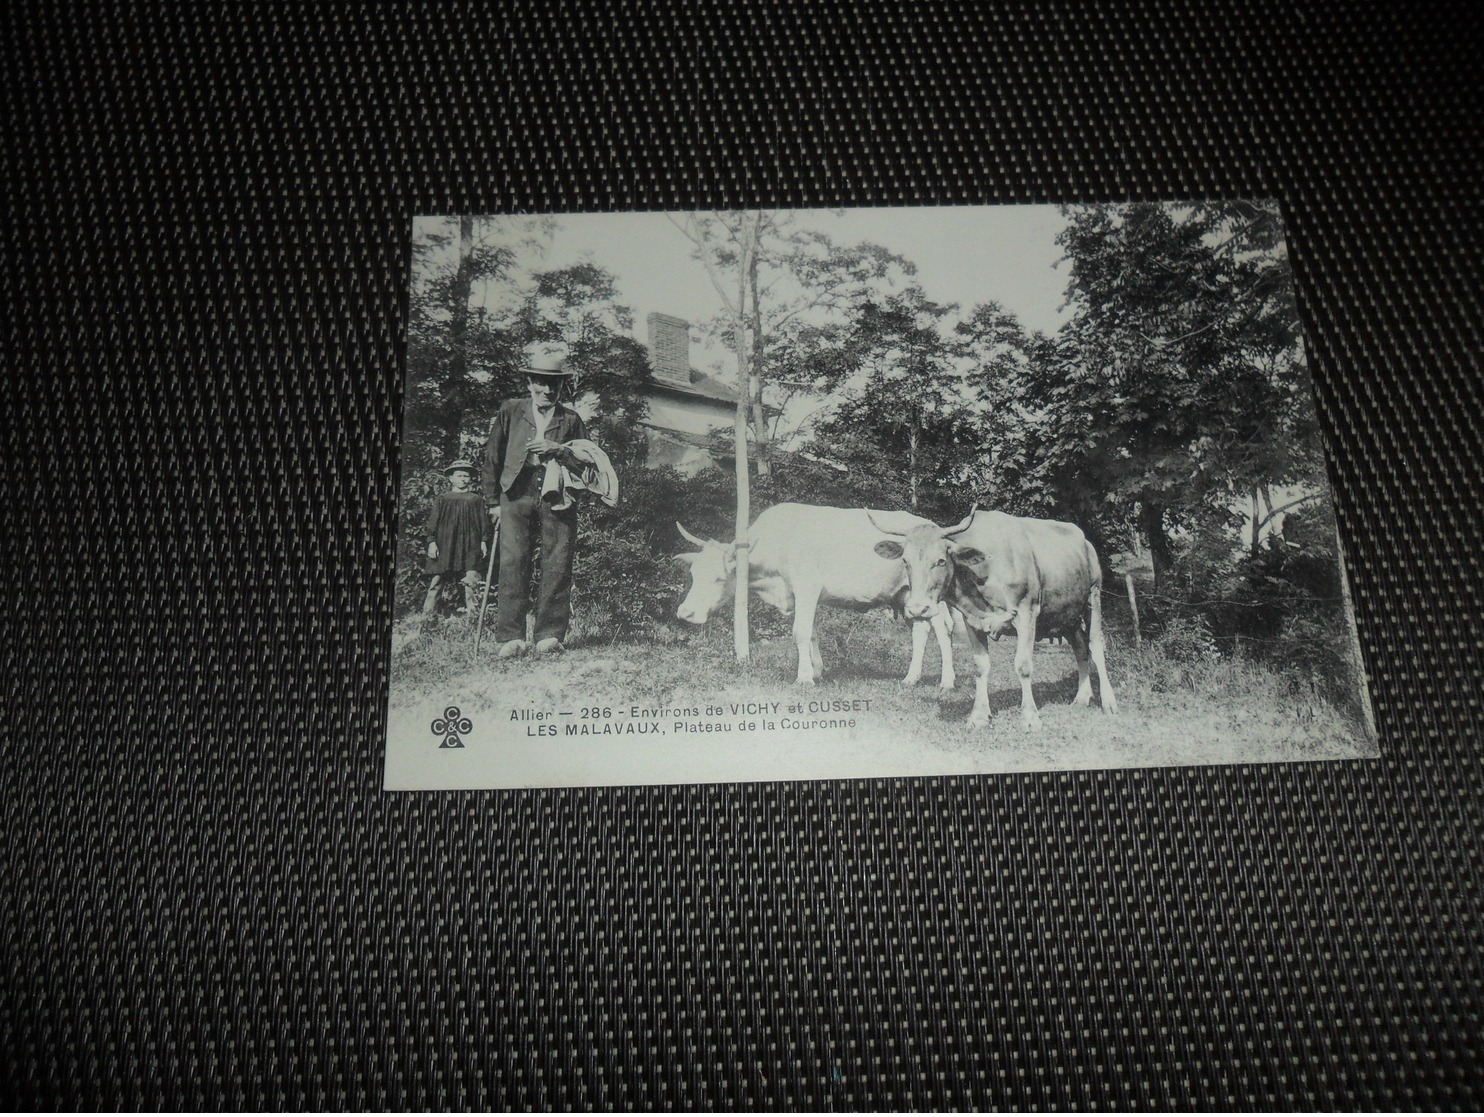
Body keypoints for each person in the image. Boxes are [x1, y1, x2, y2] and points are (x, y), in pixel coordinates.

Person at [481, 352, 589, 657]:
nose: (546, 390)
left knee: (557, 562)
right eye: (541, 383)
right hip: (515, 494)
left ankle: (549, 636)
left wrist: (560, 450)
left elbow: (588, 463)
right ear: (529, 383)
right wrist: (492, 503)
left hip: (558, 497)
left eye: (553, 385)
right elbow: (492, 458)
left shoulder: (571, 419)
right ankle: (511, 638)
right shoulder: (511, 410)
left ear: (560, 387)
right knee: (513, 562)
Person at [421, 459, 488, 618]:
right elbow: (432, 523)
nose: (463, 479)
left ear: (470, 478)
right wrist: (432, 543)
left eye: (466, 476)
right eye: (459, 476)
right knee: (437, 581)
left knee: (472, 580)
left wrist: (484, 541)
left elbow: (483, 522)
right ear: (451, 478)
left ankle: (474, 617)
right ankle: (428, 617)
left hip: (470, 544)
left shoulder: (475, 499)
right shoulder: (443, 499)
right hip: (446, 544)